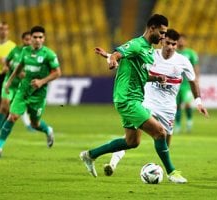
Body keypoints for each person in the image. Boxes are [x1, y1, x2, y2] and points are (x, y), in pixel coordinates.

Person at [79, 14, 188, 183]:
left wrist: (156, 78)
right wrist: (112, 59)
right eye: (161, 32)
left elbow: (140, 74)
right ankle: (172, 172)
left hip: (135, 99)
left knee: (132, 141)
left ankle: (90, 155)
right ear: (152, 28)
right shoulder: (137, 44)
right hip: (127, 99)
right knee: (160, 132)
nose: (163, 37)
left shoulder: (150, 50)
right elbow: (119, 53)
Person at [94, 29, 209, 177]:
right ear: (161, 41)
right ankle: (113, 163)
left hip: (168, 107)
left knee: (165, 142)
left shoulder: (183, 61)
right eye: (168, 43)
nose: (171, 47)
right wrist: (110, 56)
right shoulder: (151, 55)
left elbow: (193, 80)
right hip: (147, 102)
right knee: (132, 137)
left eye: (174, 44)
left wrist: (198, 101)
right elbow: (130, 59)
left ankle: (158, 168)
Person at [0, 25, 61, 157]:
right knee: (12, 117)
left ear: (44, 39)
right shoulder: (25, 51)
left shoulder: (49, 54)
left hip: (38, 94)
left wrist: (41, 82)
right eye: (35, 37)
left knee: (35, 124)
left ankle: (48, 130)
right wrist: (9, 81)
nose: (37, 40)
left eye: (40, 37)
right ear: (31, 38)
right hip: (23, 91)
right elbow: (19, 66)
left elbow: (57, 73)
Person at [0, 31, 34, 146]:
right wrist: (5, 67)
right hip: (9, 84)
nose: (28, 42)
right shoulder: (15, 51)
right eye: (26, 39)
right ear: (22, 40)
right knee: (4, 105)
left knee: (11, 113)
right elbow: (6, 62)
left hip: (21, 87)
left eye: (30, 40)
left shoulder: (35, 55)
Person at [174, 34, 200, 133]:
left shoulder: (190, 53)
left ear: (185, 41)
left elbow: (196, 66)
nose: (180, 42)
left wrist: (196, 79)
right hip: (176, 84)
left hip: (187, 84)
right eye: (179, 40)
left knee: (188, 104)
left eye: (182, 40)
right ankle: (178, 125)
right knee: (177, 105)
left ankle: (189, 122)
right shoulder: (173, 53)